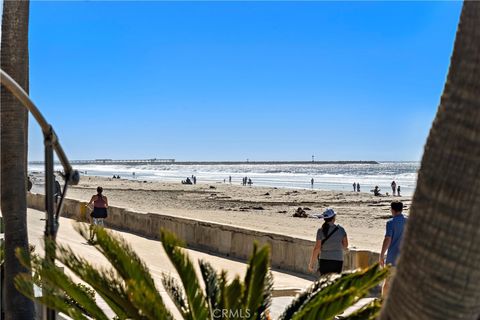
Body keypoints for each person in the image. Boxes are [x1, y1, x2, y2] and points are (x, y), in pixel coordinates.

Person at [308, 209, 348, 276]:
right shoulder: (341, 230)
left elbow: (317, 248)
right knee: (335, 283)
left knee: (324, 282)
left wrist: (311, 264)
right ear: (333, 218)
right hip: (338, 260)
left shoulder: (320, 231)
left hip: (324, 260)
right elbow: (345, 245)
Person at [380, 201, 407, 296]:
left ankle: (383, 304)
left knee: (387, 282)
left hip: (392, 258)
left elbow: (388, 239)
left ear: (392, 210)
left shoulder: (391, 223)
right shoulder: (408, 221)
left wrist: (382, 255)